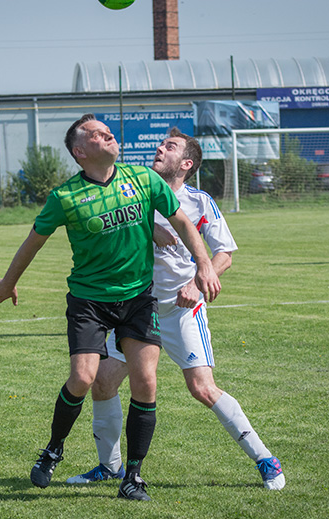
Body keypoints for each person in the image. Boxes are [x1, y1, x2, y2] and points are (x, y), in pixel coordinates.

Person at [0, 114, 221, 501]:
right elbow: (34, 241)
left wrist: (204, 262)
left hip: (137, 297)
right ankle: (53, 449)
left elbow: (182, 222)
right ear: (80, 152)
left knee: (146, 381)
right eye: (96, 134)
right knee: (83, 378)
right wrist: (9, 282)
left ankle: (132, 477)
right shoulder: (65, 197)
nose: (107, 134)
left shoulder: (142, 179)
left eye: (107, 131)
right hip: (89, 301)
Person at [64, 128, 285, 491]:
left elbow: (224, 255)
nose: (158, 149)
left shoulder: (200, 202)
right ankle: (110, 466)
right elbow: (106, 216)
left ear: (186, 164)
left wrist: (198, 282)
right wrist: (150, 225)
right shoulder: (134, 188)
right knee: (102, 382)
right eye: (160, 144)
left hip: (183, 311)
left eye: (169, 147)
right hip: (139, 310)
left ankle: (265, 458)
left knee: (202, 388)